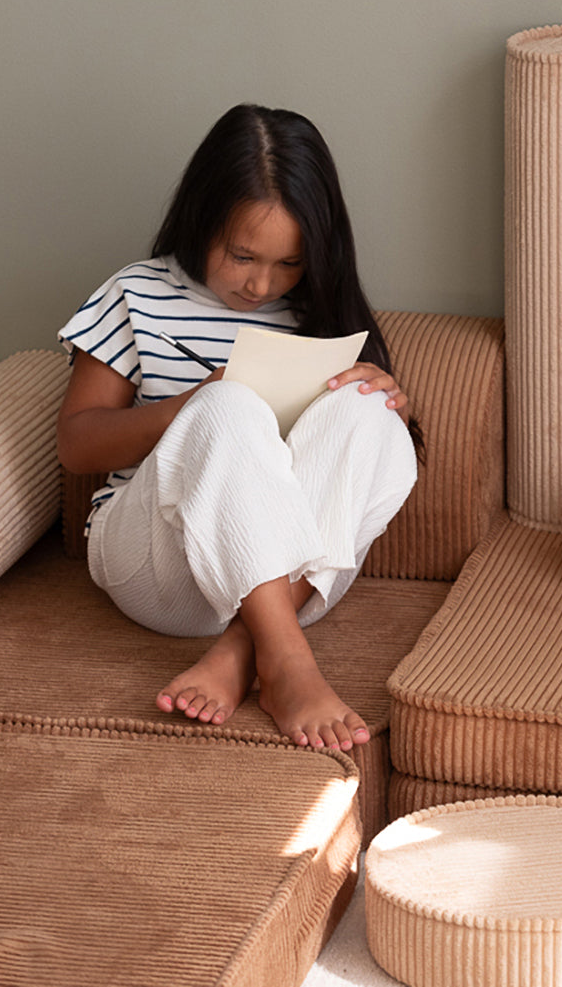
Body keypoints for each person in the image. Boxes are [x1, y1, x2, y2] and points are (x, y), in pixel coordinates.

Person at [56, 104, 419, 753]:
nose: (261, 283)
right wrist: (196, 403)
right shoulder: (135, 293)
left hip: (291, 576)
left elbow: (355, 472)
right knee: (231, 410)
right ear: (202, 221)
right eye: (243, 255)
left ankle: (244, 648)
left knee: (370, 408)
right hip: (157, 564)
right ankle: (289, 662)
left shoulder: (319, 310)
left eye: (289, 263)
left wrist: (387, 400)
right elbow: (77, 445)